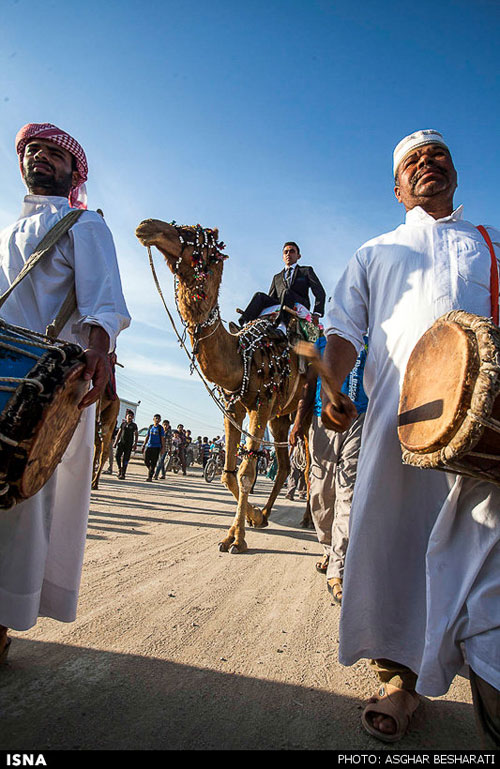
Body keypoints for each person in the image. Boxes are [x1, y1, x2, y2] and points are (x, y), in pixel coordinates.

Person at [321, 129, 500, 746]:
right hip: (402, 433)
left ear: (456, 173)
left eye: (439, 156)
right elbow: (343, 329)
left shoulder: (491, 243)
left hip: (486, 441)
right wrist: (330, 383)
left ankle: (488, 684)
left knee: (489, 565)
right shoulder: (375, 251)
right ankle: (399, 679)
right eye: (413, 162)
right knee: (397, 551)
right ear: (397, 187)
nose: (428, 165)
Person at [0, 122, 130, 662]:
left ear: (74, 171)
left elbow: (104, 301)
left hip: (42, 383)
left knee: (17, 503)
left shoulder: (84, 224)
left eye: (54, 154)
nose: (40, 159)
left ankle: (2, 622)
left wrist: (99, 351)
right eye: (33, 151)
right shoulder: (7, 226)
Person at [290, 334, 368, 603]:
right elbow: (310, 386)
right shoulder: (325, 343)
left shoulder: (377, 341)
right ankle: (327, 546)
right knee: (322, 492)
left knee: (348, 492)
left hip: (360, 420)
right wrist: (299, 421)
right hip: (323, 422)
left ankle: (338, 567)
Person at [237, 242, 326, 328]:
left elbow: (319, 292)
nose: (288, 254)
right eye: (285, 252)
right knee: (259, 296)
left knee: (287, 292)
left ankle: (281, 326)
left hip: (299, 304)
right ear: (283, 256)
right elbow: (271, 297)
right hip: (281, 303)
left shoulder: (306, 271)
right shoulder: (277, 277)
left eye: (292, 251)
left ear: (298, 256)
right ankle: (244, 324)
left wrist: (317, 314)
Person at [114, 410, 138, 480]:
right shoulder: (123, 424)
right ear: (126, 416)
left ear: (133, 417)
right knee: (117, 456)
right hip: (121, 443)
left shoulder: (134, 425)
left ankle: (123, 473)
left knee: (126, 458)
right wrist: (115, 442)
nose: (130, 417)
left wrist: (135, 444)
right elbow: (119, 433)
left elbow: (136, 435)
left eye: (131, 416)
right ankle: (119, 469)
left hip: (129, 444)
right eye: (128, 416)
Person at [143, 415, 165, 481]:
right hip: (149, 446)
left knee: (153, 462)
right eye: (156, 418)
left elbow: (162, 438)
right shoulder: (150, 427)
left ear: (160, 420)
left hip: (156, 447)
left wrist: (162, 448)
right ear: (153, 419)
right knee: (146, 460)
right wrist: (144, 444)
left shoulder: (160, 428)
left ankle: (150, 476)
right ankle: (151, 470)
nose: (157, 420)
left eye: (158, 419)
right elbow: (147, 436)